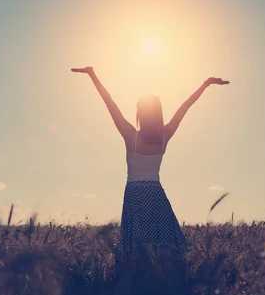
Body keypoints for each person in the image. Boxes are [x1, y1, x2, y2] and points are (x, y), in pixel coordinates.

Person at [71, 66, 229, 260]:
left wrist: (93, 75)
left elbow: (109, 103)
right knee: (163, 248)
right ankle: (162, 283)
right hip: (155, 193)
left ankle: (141, 284)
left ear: (139, 114)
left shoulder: (130, 136)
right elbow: (185, 107)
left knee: (137, 251)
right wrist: (205, 85)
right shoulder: (165, 135)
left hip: (135, 194)